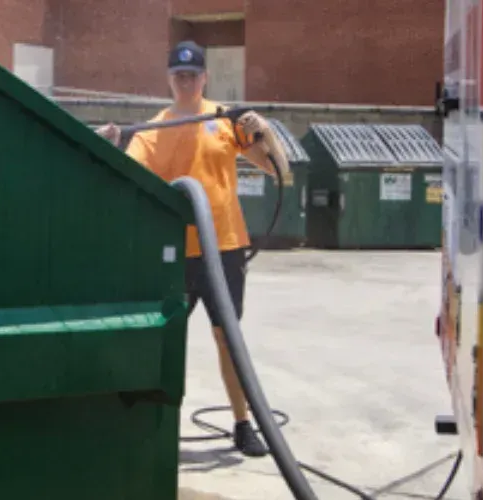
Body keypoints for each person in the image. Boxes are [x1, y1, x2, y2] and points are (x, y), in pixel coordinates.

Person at [95, 40, 290, 458]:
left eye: (193, 74)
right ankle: (153, 423)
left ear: (204, 77)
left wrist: (266, 132)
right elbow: (127, 178)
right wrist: (106, 143)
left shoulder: (224, 121)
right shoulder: (153, 130)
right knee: (165, 338)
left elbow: (280, 172)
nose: (186, 81)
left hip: (225, 249)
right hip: (175, 252)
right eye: (179, 75)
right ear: (169, 79)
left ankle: (242, 424)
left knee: (227, 338)